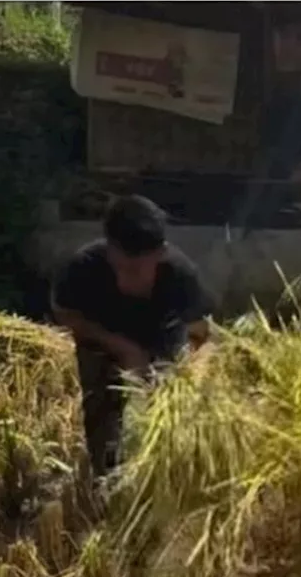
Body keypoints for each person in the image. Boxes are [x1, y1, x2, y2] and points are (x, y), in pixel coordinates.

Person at [50, 195, 213, 481]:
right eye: (123, 268)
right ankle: (103, 478)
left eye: (139, 270)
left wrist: (188, 377)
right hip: (100, 341)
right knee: (100, 413)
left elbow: (203, 336)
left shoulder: (181, 275)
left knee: (170, 416)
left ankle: (163, 478)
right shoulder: (83, 268)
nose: (130, 281)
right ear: (109, 250)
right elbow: (65, 313)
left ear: (161, 253)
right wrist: (121, 347)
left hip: (160, 339)